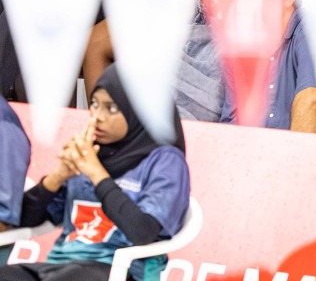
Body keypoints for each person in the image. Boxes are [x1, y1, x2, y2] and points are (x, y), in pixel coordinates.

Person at [0, 67, 189, 281]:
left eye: (112, 109)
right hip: (61, 267)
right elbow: (24, 220)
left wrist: (97, 173)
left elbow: (143, 231)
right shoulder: (90, 152)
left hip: (121, 271)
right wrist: (58, 177)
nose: (97, 117)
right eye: (95, 105)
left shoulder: (165, 161)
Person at [218, 0, 316, 133]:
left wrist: (290, 157)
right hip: (261, 149)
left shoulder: (309, 29)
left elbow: (309, 99)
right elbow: (233, 119)